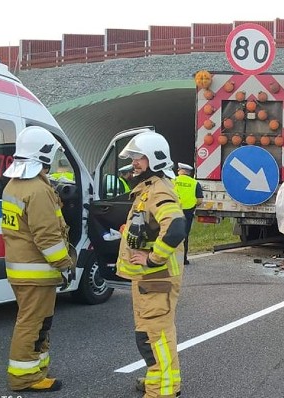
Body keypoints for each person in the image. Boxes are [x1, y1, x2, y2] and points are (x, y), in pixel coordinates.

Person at [1, 126, 75, 392]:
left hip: (21, 269)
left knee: (36, 322)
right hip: (37, 271)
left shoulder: (14, 185)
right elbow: (48, 238)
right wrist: (66, 265)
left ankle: (36, 370)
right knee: (33, 323)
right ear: (43, 154)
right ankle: (24, 378)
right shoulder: (37, 190)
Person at [115, 129, 186, 397]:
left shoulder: (158, 190)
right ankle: (157, 379)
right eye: (134, 158)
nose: (134, 163)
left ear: (154, 160)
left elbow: (176, 226)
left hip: (157, 277)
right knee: (147, 336)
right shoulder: (147, 189)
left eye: (139, 158)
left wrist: (153, 257)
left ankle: (164, 390)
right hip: (147, 280)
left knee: (156, 336)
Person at [173, 162, 203, 265]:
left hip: (173, 211)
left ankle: (170, 258)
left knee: (170, 234)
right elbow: (199, 200)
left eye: (178, 170)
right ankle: (183, 259)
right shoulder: (195, 183)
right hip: (188, 213)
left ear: (182, 171)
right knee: (184, 235)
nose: (177, 171)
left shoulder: (173, 180)